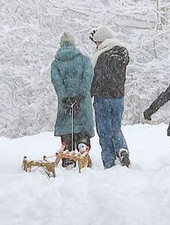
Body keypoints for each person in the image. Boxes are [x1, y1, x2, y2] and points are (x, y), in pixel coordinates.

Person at [89, 24, 132, 169]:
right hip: (118, 98)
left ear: (101, 42)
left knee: (104, 132)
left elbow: (96, 79)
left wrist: (89, 94)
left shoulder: (101, 57)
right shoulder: (123, 54)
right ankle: (122, 149)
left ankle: (109, 163)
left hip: (102, 98)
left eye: (97, 43)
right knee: (116, 128)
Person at [50, 32, 94, 166]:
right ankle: (82, 144)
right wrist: (80, 96)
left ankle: (68, 155)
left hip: (65, 104)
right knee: (82, 127)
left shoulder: (56, 64)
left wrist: (66, 98)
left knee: (67, 129)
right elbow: (88, 78)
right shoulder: (84, 60)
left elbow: (57, 82)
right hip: (82, 102)